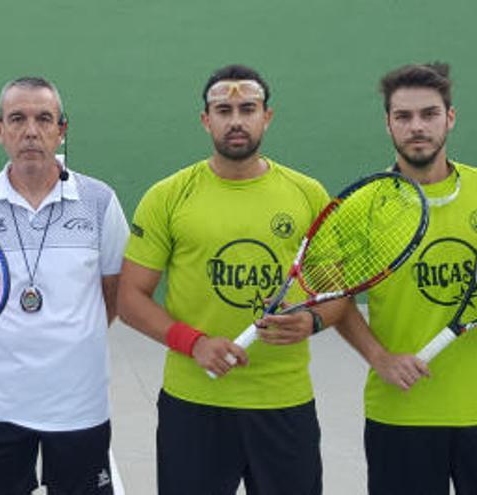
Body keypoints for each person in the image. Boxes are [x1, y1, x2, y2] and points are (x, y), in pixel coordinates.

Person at [117, 64, 349, 494]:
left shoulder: (308, 194)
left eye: (248, 108)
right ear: (206, 120)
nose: (236, 120)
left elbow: (336, 294)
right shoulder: (168, 196)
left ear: (267, 116)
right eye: (224, 110)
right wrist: (195, 343)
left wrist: (313, 321)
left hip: (284, 403)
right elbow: (131, 298)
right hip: (194, 405)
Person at [0, 76, 128, 494]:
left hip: (80, 406)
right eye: (18, 119)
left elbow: (112, 294)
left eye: (44, 118)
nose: (31, 130)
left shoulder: (99, 200)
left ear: (61, 129)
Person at [334, 62, 477, 494]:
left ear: (449, 117)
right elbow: (335, 298)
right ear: (388, 123)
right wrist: (379, 357)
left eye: (429, 114)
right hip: (400, 414)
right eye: (404, 116)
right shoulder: (361, 205)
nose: (417, 127)